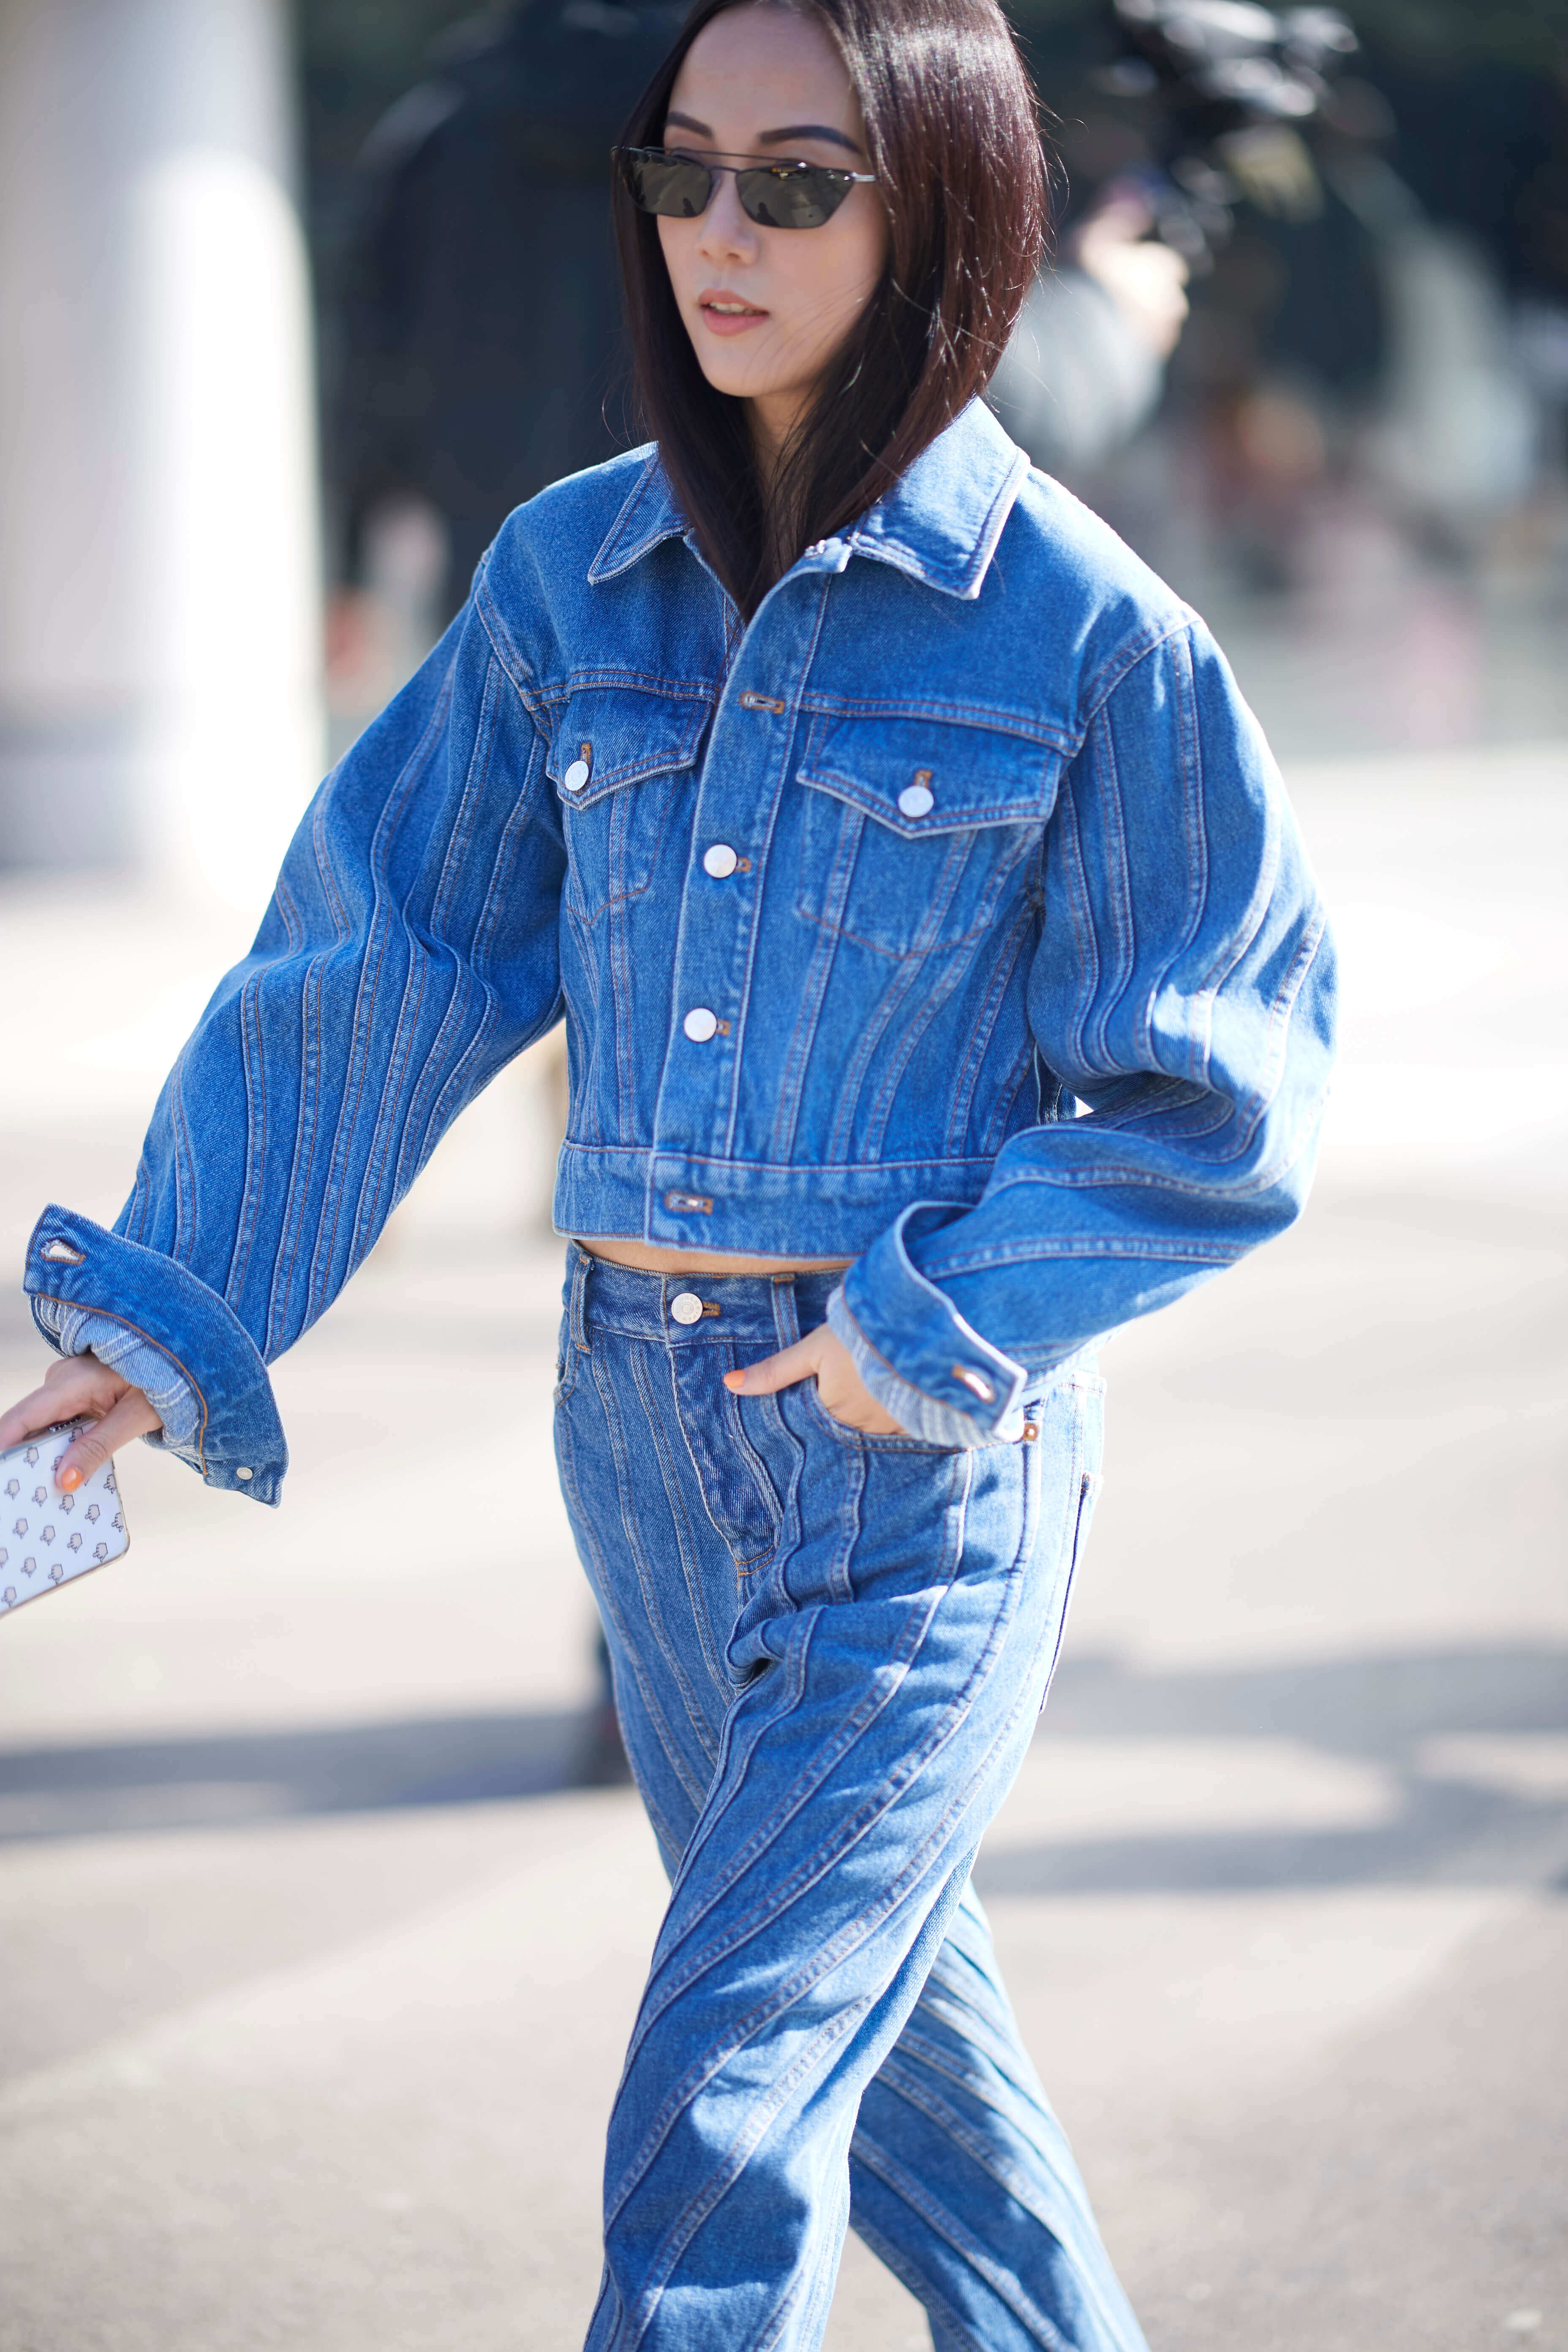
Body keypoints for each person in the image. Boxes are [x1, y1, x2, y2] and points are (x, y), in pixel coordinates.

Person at [6, 0, 1336, 2341]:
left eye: (800, 181)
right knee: (909, 2079)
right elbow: (380, 960)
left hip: (919, 1465)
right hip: (635, 1433)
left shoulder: (1088, 637)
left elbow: (1215, 1096)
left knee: (726, 2102)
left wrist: (922, 1335)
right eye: (685, 173)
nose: (724, 232)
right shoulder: (563, 586)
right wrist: (167, 1317)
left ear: (946, 210)